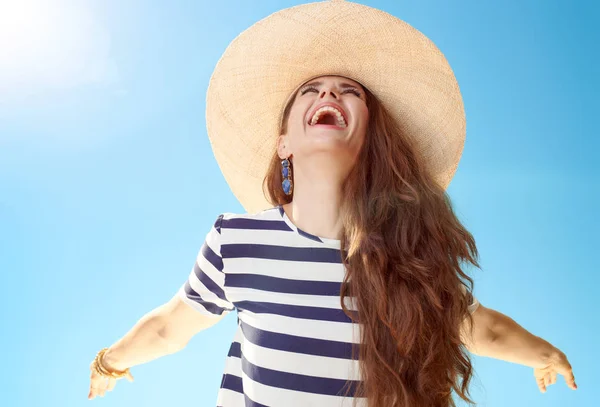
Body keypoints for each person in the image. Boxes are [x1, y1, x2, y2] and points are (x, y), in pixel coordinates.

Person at [88, 1, 577, 406]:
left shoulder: (408, 254)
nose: (328, 92)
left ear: (370, 138)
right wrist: (110, 361)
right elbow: (171, 326)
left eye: (350, 92)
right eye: (310, 90)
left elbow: (479, 327)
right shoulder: (235, 241)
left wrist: (544, 353)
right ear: (284, 143)